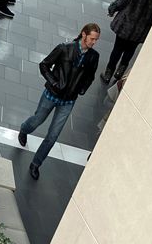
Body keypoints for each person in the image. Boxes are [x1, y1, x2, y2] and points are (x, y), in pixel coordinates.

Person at [18, 23, 100, 180]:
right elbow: (44, 65)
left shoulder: (93, 57)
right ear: (83, 34)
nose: (94, 42)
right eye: (92, 38)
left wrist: (82, 89)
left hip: (68, 101)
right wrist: (54, 83)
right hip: (51, 95)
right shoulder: (64, 48)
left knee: (53, 135)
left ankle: (36, 163)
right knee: (36, 121)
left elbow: (90, 76)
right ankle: (24, 129)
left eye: (96, 40)